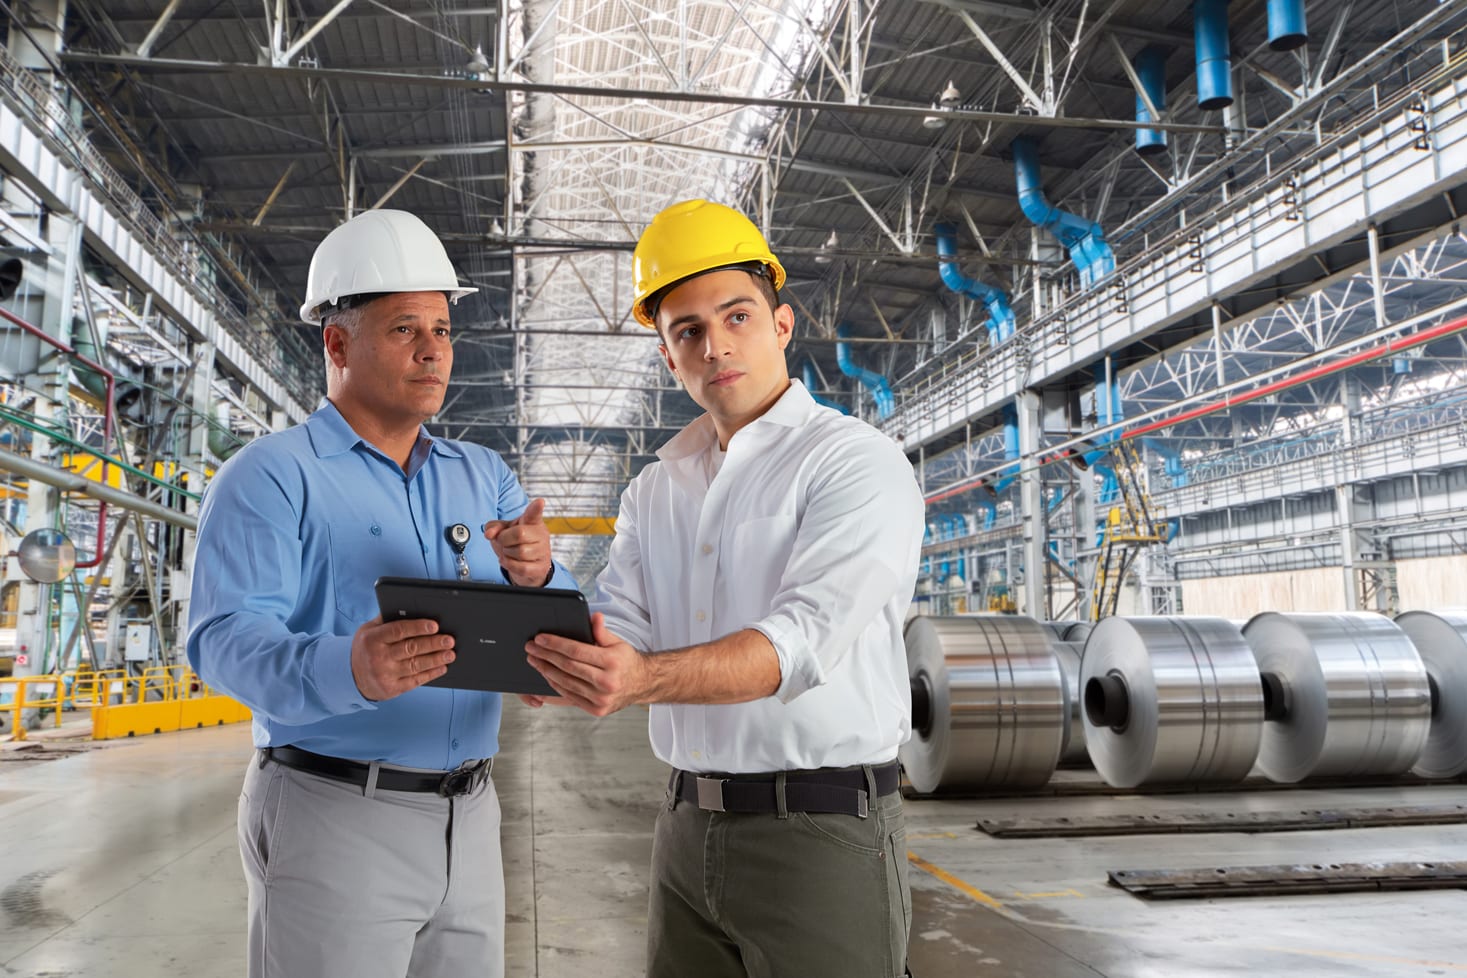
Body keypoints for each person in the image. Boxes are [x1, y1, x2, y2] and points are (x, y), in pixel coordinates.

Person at [524, 199, 925, 978]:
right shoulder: (656, 489)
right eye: (687, 331)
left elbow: (799, 643)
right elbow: (624, 619)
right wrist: (557, 643)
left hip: (818, 831)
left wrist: (641, 679)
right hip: (683, 825)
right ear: (669, 357)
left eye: (735, 316)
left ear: (781, 324)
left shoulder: (853, 462)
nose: (715, 346)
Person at [187, 208, 577, 978]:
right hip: (334, 811)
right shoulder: (273, 476)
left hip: (471, 815)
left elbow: (551, 619)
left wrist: (540, 576)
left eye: (441, 329)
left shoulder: (482, 475)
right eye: (405, 330)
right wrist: (349, 668)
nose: (434, 351)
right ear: (337, 343)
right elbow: (222, 639)